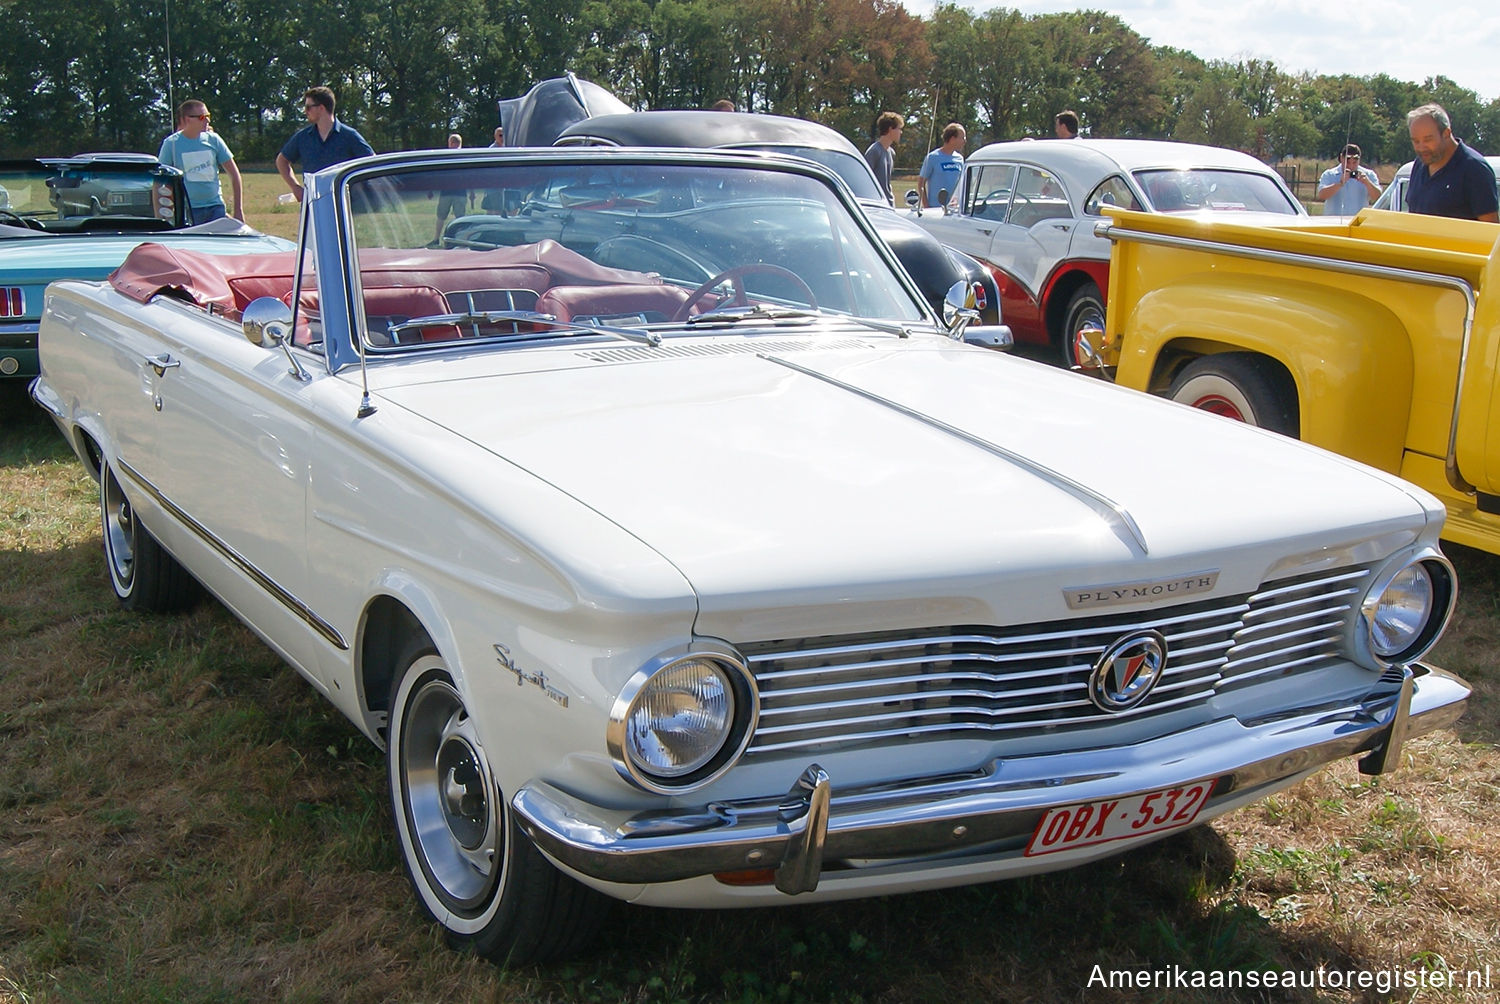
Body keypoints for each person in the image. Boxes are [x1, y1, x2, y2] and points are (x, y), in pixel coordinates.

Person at [275, 86, 375, 203]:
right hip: (314, 206)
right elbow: (281, 161)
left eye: (308, 107)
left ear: (321, 108)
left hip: (344, 206)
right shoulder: (303, 137)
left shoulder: (349, 136)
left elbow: (372, 163)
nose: (305, 111)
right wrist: (295, 187)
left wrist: (359, 187)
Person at [1405, 103, 1499, 223]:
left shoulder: (1474, 169)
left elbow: (1490, 230)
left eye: (1428, 140)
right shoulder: (1420, 164)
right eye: (1416, 141)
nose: (1421, 147)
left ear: (1446, 133)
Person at [158, 99, 243, 225]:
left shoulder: (214, 140)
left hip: (216, 208)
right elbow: (159, 182)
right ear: (188, 119)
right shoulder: (171, 144)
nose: (207, 120)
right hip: (188, 210)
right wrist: (161, 215)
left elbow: (234, 175)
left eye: (208, 116)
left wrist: (238, 210)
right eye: (202, 117)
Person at [1316, 143, 1380, 216]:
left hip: (1357, 223)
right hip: (1333, 222)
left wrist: (1367, 183)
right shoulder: (1329, 174)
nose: (1351, 166)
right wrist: (1339, 184)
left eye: (1354, 162)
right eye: (1348, 162)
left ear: (1359, 160)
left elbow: (1377, 197)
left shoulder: (1369, 174)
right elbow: (1322, 196)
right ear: (1341, 158)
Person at [917, 122, 966, 209]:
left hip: (954, 209)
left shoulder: (960, 159)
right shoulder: (932, 157)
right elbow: (921, 183)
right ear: (952, 139)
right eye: (962, 138)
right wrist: (926, 205)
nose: (964, 141)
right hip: (935, 209)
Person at [433, 133, 468, 244]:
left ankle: (436, 239)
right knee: (459, 218)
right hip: (459, 192)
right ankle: (460, 240)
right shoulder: (466, 156)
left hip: (447, 192)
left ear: (451, 143)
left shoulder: (445, 155)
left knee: (442, 217)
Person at [863, 112, 903, 206]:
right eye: (899, 129)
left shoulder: (891, 153)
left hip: (889, 204)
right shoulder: (874, 151)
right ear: (890, 129)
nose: (901, 132)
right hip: (876, 204)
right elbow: (865, 179)